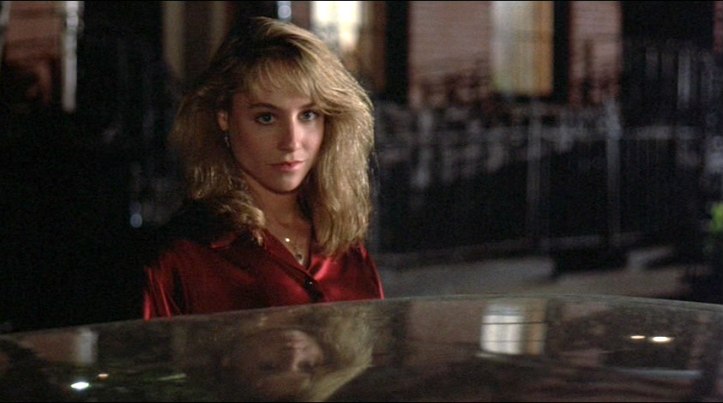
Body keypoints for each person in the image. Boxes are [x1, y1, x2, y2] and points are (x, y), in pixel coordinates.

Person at [141, 16, 384, 319]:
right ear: (224, 117)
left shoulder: (345, 248)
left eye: (308, 115)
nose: (292, 141)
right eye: (266, 118)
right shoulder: (181, 258)